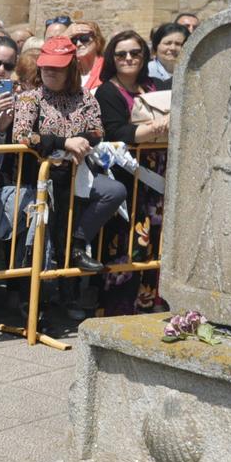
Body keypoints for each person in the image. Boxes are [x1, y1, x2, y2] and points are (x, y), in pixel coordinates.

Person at [0, 35, 125, 273]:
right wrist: (64, 142)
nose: (50, 71)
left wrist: (81, 142)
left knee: (114, 191)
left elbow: (98, 130)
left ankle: (78, 245)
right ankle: (32, 298)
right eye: (46, 66)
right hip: (38, 178)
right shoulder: (30, 98)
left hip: (76, 174)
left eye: (57, 67)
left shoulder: (85, 97)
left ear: (71, 69)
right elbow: (22, 135)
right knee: (43, 240)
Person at [93, 30, 169, 313]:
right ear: (112, 58)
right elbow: (115, 131)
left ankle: (150, 303)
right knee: (126, 242)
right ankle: (118, 308)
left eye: (135, 53)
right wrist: (154, 129)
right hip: (129, 176)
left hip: (160, 175)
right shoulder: (107, 91)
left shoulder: (157, 85)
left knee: (157, 241)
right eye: (121, 54)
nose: (128, 58)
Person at [67, 20, 106, 91]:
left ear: (98, 41)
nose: (78, 44)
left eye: (84, 38)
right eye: (73, 40)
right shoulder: (69, 72)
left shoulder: (107, 69)